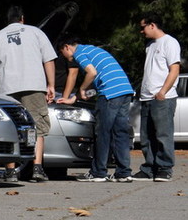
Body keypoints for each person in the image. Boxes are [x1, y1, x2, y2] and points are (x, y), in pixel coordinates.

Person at [0, 6, 56, 182]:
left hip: (7, 88)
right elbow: (48, 59)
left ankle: (10, 172)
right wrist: (51, 85)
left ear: (7, 20)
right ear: (22, 18)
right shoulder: (36, 33)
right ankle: (37, 169)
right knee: (38, 126)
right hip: (34, 85)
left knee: (11, 127)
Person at [56, 34, 135, 182]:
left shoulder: (79, 53)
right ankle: (123, 172)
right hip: (125, 90)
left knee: (102, 133)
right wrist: (73, 98)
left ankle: (98, 172)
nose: (65, 57)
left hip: (110, 94)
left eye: (62, 53)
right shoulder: (92, 50)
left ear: (67, 47)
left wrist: (82, 89)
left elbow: (92, 73)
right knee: (120, 133)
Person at [133, 15, 181, 182]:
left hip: (162, 98)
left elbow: (174, 69)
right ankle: (149, 168)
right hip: (146, 97)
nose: (141, 31)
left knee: (163, 134)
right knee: (146, 136)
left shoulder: (170, 42)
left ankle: (164, 168)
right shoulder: (150, 45)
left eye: (143, 27)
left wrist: (163, 91)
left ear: (152, 25)